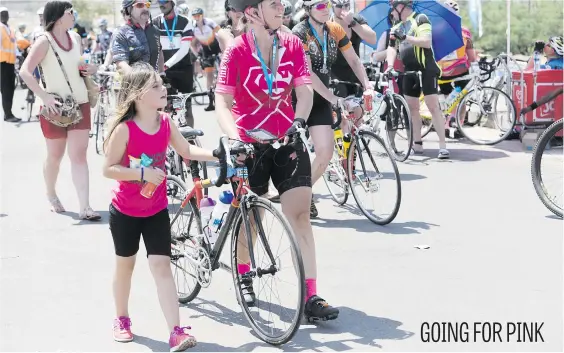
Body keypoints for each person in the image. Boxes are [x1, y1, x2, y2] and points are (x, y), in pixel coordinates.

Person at [217, 0, 340, 322]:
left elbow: (305, 90)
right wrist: (234, 138)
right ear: (252, 12)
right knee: (252, 219)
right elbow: (223, 100)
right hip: (249, 144)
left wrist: (299, 121)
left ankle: (311, 294)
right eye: (273, 3)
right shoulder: (236, 50)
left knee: (300, 215)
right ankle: (244, 274)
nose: (281, 7)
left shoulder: (293, 44)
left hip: (287, 138)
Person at [103, 62, 220, 351]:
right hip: (126, 211)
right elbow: (109, 169)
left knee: (161, 265)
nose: (163, 89)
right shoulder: (125, 130)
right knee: (125, 267)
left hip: (156, 209)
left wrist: (217, 154)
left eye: (161, 84)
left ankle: (176, 331)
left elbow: (187, 150)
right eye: (155, 86)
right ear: (139, 95)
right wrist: (141, 174)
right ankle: (122, 318)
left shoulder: (166, 122)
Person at [19, 1, 100, 219]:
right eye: (69, 12)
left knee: (79, 155)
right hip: (55, 107)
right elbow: (25, 72)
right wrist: (44, 96)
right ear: (57, 17)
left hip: (80, 104)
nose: (74, 15)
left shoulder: (76, 38)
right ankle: (51, 193)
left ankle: (85, 207)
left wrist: (90, 70)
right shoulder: (43, 42)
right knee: (55, 156)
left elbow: (81, 68)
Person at [292, 0, 373, 218]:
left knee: (325, 153)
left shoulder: (334, 29)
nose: (325, 8)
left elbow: (354, 61)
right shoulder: (299, 33)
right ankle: (293, 195)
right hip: (298, 98)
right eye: (319, 6)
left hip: (321, 99)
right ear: (309, 10)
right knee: (294, 157)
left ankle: (305, 193)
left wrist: (367, 86)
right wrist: (334, 98)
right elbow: (307, 73)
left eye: (327, 4)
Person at [385, 0, 449, 159]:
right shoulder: (396, 27)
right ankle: (418, 143)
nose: (391, 11)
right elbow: (392, 48)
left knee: (432, 105)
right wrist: (390, 66)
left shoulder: (421, 18)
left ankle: (442, 146)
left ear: (400, 7)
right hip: (409, 70)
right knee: (412, 108)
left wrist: (406, 37)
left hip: (427, 68)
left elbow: (426, 42)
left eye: (392, 8)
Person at [437, 0, 477, 135]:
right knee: (461, 96)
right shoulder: (464, 31)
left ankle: (446, 123)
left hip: (441, 72)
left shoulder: (436, 30)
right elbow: (471, 57)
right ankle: (458, 124)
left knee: (447, 95)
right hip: (460, 71)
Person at [154, 0, 196, 128]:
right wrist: (161, 68)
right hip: (165, 71)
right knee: (163, 108)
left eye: (165, 1)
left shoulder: (185, 21)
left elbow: (184, 50)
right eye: (159, 2)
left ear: (172, 3)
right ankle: (165, 140)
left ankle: (190, 141)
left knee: (187, 107)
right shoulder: (155, 22)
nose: (162, 4)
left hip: (183, 69)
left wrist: (166, 65)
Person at [112, 0, 165, 74]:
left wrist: (162, 72)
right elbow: (121, 64)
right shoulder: (121, 33)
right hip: (134, 84)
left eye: (147, 5)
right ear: (128, 9)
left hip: (154, 81)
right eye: (140, 5)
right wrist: (142, 80)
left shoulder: (154, 30)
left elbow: (159, 51)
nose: (145, 8)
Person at [191, 7, 221, 111]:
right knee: (209, 76)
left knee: (223, 72)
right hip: (206, 52)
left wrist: (224, 49)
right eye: (194, 16)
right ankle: (211, 102)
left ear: (202, 15)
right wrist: (198, 55)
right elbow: (193, 44)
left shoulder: (209, 23)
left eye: (198, 15)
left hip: (217, 49)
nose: (196, 18)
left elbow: (221, 33)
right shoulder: (193, 27)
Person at [371, 9, 404, 94]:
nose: (395, 19)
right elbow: (376, 57)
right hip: (390, 75)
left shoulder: (410, 31)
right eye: (391, 17)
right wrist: (391, 50)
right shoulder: (387, 34)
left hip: (407, 74)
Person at [0, 7, 20, 122]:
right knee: (6, 89)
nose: (4, 15)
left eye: (6, 14)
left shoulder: (9, 29)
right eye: (2, 14)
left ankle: (9, 112)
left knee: (11, 88)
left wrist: (18, 55)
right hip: (2, 62)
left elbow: (13, 44)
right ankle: (8, 114)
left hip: (10, 62)